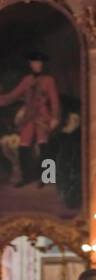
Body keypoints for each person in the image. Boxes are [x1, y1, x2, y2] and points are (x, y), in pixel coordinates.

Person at [0, 52, 59, 187]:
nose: (37, 65)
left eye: (39, 63)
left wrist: (55, 118)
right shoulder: (27, 80)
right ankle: (26, 176)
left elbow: (54, 100)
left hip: (43, 116)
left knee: (44, 145)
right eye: (34, 63)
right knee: (23, 146)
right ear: (30, 64)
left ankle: (48, 177)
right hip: (28, 117)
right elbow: (12, 96)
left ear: (43, 64)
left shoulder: (49, 80)